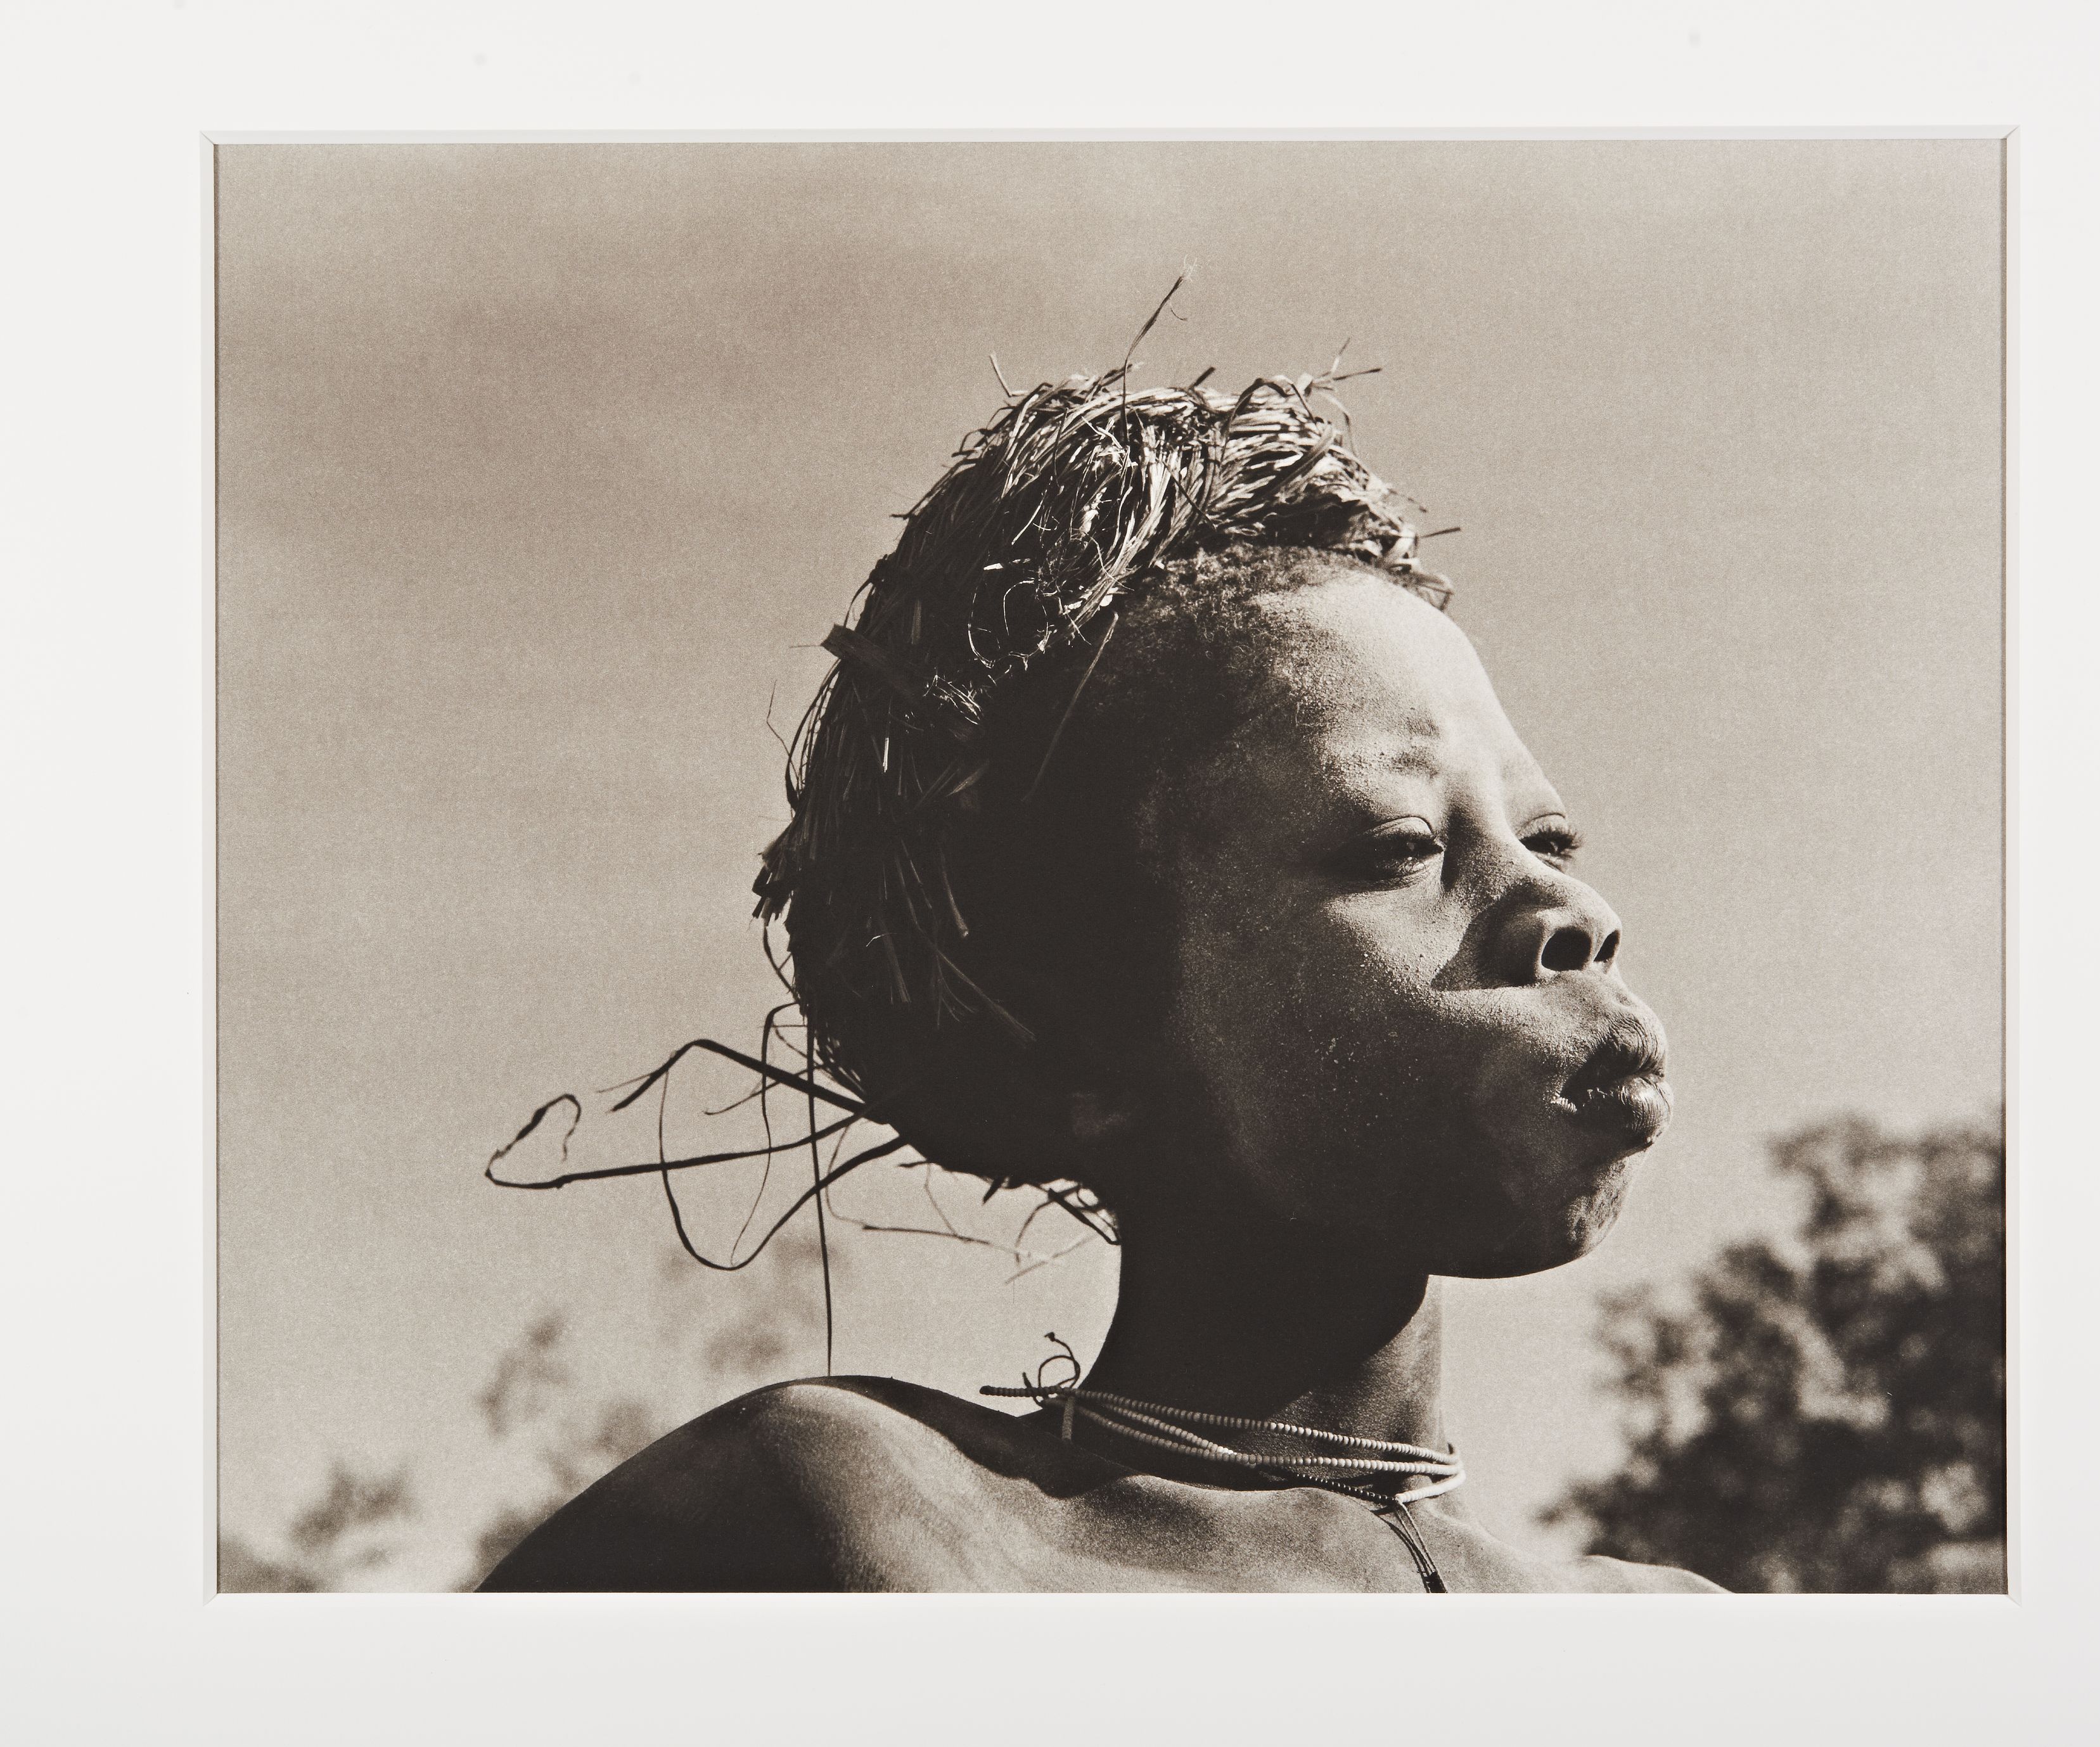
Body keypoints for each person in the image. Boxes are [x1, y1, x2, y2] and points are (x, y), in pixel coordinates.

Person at [480, 360, 1720, 1594]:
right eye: (1398, 846)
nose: (1570, 911)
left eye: (1548, 840)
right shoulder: (848, 1524)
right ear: (1078, 1041)